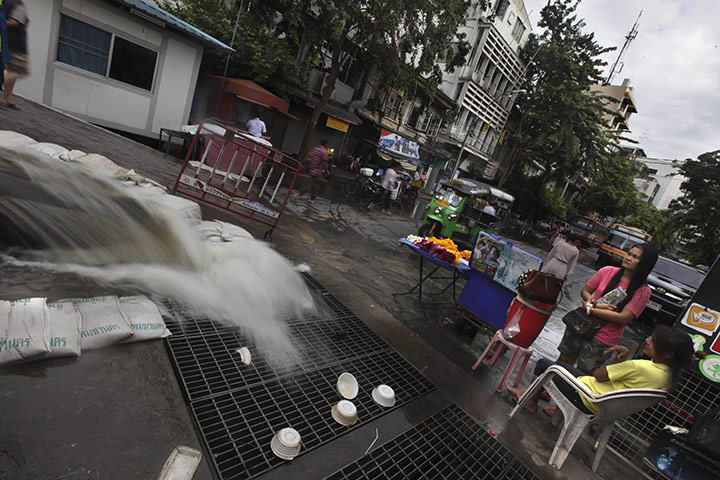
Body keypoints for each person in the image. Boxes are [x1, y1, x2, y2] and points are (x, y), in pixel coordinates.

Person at [507, 325, 703, 414]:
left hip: (587, 397)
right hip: (607, 409)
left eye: (653, 341)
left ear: (669, 354)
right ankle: (528, 395)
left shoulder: (641, 366)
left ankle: (529, 400)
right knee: (562, 369)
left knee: (548, 365)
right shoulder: (668, 377)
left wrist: (621, 360)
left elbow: (598, 376)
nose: (647, 341)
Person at [557, 244, 659, 374]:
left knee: (581, 374)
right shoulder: (607, 271)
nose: (628, 258)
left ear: (645, 263)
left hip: (603, 337)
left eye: (635, 257)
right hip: (580, 324)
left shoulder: (643, 291)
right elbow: (586, 291)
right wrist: (596, 305)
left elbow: (624, 318)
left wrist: (592, 309)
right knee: (562, 362)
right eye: (629, 253)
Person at [1, 0, 28, 110]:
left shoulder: (7, 3)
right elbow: (15, 21)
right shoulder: (17, 4)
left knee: (14, 70)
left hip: (11, 42)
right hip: (16, 44)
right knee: (19, 71)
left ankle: (7, 98)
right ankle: (6, 96)